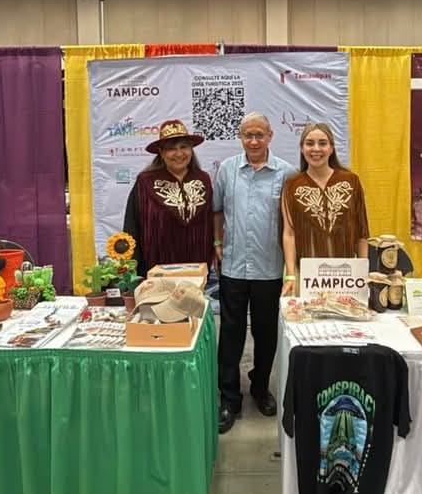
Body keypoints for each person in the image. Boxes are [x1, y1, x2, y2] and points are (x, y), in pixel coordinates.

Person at [214, 112, 296, 434]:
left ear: (270, 136)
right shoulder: (227, 170)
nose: (253, 141)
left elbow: (291, 224)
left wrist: (291, 268)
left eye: (259, 134)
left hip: (269, 268)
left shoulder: (287, 173)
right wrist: (217, 242)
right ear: (240, 137)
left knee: (266, 334)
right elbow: (217, 211)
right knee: (230, 335)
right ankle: (229, 397)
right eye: (248, 135)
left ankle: (261, 388)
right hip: (234, 266)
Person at [281, 122, 369, 296]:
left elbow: (362, 232)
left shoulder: (351, 181)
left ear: (331, 148)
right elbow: (289, 233)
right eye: (309, 143)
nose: (316, 149)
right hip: (306, 275)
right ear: (302, 149)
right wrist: (290, 275)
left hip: (346, 275)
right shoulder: (291, 185)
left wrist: (363, 271)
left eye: (322, 143)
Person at [123, 119, 213, 275]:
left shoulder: (203, 179)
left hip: (196, 266)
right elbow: (132, 225)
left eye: (184, 147)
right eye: (171, 149)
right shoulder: (145, 182)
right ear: (161, 152)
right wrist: (133, 267)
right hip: (157, 268)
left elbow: (211, 220)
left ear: (191, 149)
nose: (179, 154)